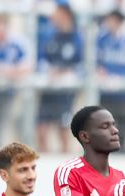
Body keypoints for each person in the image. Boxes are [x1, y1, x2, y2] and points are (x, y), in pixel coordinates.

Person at [37, 4, 83, 153]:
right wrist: (49, 71)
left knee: (63, 128)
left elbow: (82, 64)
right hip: (48, 88)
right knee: (41, 127)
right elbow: (41, 59)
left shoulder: (78, 38)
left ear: (65, 14)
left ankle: (64, 166)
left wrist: (66, 72)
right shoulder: (49, 36)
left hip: (66, 91)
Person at [0, 15, 33, 149]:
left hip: (14, 91)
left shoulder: (17, 43)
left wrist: (9, 71)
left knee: (13, 122)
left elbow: (28, 65)